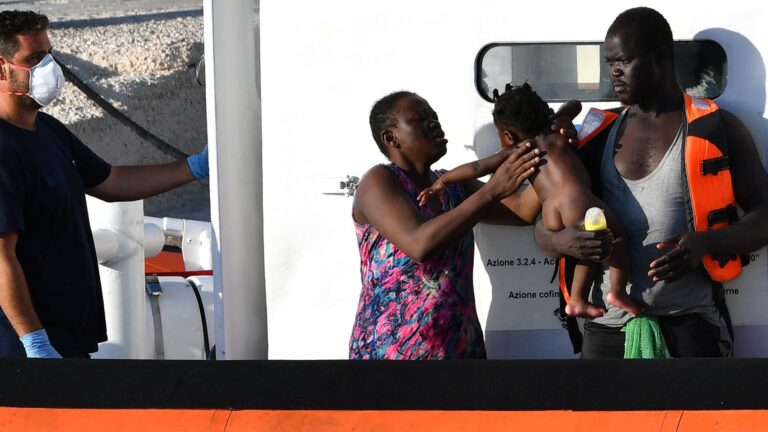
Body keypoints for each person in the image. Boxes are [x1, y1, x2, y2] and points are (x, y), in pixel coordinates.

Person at [535, 7, 768, 358]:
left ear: (661, 57)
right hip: (605, 327)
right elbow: (541, 223)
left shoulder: (717, 128)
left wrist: (706, 243)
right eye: (609, 62)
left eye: (625, 61)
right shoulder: (596, 134)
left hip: (689, 325)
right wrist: (563, 240)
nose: (614, 72)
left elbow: (765, 216)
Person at [0, 10, 209, 358]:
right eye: (34, 59)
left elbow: (111, 181)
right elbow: (2, 257)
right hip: (22, 356)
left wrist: (194, 167)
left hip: (69, 341)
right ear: (2, 68)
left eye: (49, 55)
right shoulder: (3, 150)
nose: (49, 68)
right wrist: (33, 341)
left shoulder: (49, 131)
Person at [349, 90, 552, 359]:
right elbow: (419, 244)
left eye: (433, 116)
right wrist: (491, 190)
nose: (434, 123)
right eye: (421, 119)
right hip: (393, 357)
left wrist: (547, 149)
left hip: (458, 349)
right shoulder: (378, 181)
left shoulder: (451, 186)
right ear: (391, 138)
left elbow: (523, 210)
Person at [418, 83, 639, 319]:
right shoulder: (555, 135)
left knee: (589, 250)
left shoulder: (520, 150)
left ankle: (576, 300)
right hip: (576, 201)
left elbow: (477, 167)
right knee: (616, 237)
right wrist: (558, 116)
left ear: (509, 135)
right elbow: (576, 105)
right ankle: (617, 292)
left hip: (550, 211)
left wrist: (443, 181)